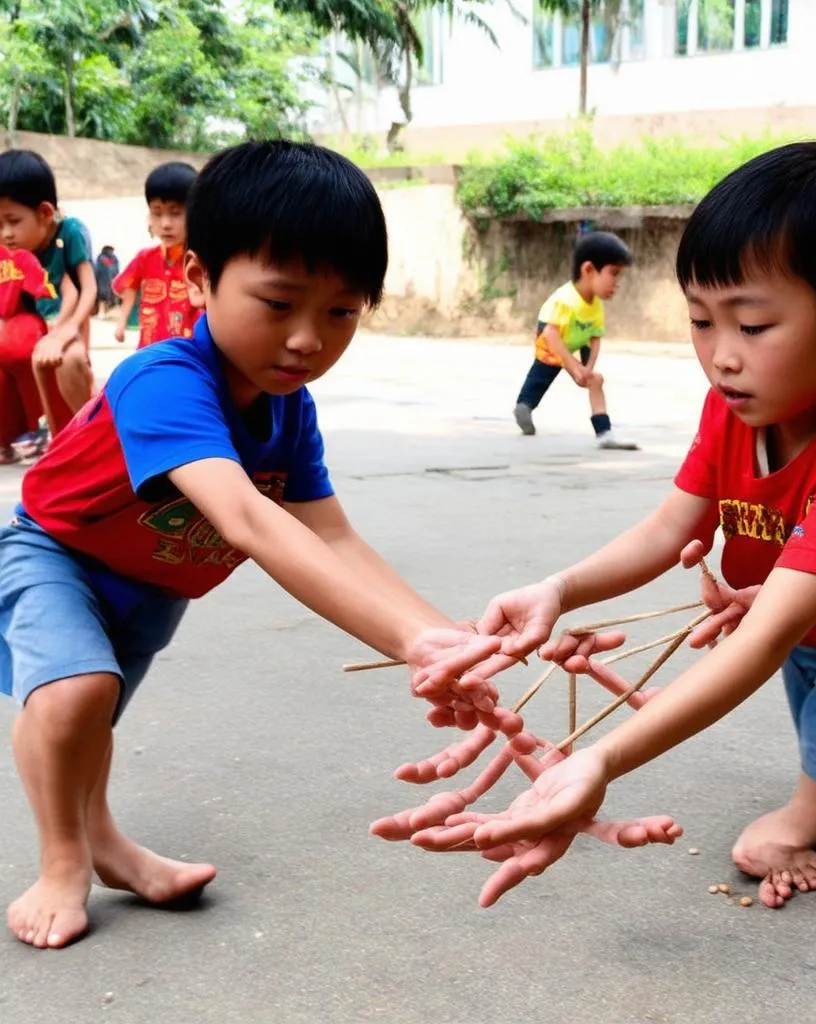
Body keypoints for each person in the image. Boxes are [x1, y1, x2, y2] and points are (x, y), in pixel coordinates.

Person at [416, 141, 816, 911]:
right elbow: (670, 525)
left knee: (787, 817)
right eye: (702, 322)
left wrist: (599, 760)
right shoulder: (736, 410)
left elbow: (764, 638)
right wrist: (559, 590)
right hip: (809, 632)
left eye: (752, 325)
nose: (721, 358)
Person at [0, 140, 516, 951]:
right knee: (72, 696)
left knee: (93, 717)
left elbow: (334, 535)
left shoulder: (289, 411)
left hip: (157, 583)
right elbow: (245, 519)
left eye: (341, 311)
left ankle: (105, 843)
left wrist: (455, 641)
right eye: (279, 303)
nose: (309, 339)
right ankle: (63, 862)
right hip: (57, 553)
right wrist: (412, 644)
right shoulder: (165, 378)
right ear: (200, 277)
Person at [0, 149, 96, 453]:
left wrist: (66, 331)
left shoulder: (69, 233)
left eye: (12, 221)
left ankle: (89, 439)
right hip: (38, 327)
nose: (5, 233)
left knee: (68, 361)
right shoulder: (19, 250)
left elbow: (86, 290)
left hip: (69, 325)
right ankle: (49, 440)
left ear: (44, 212)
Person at [513, 230, 639, 450]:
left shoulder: (597, 306)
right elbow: (551, 334)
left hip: (577, 339)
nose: (617, 282)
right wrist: (572, 365)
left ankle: (604, 433)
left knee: (595, 380)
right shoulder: (566, 300)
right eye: (614, 273)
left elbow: (595, 338)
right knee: (543, 373)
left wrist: (588, 368)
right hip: (551, 340)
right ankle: (524, 406)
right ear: (588, 269)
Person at [114, 161, 200, 348]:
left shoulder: (202, 262)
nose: (166, 223)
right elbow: (130, 286)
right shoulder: (145, 258)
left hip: (188, 353)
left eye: (175, 213)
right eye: (157, 213)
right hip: (149, 349)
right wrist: (122, 321)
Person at [0, 244, 56, 463]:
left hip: (8, 331)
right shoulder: (22, 255)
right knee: (33, 380)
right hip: (23, 330)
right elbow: (42, 290)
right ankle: (37, 433)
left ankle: (5, 444)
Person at [94, 245, 120, 318]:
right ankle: (102, 312)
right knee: (103, 297)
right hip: (105, 281)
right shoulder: (111, 259)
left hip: (105, 281)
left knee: (103, 297)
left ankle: (103, 313)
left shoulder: (104, 258)